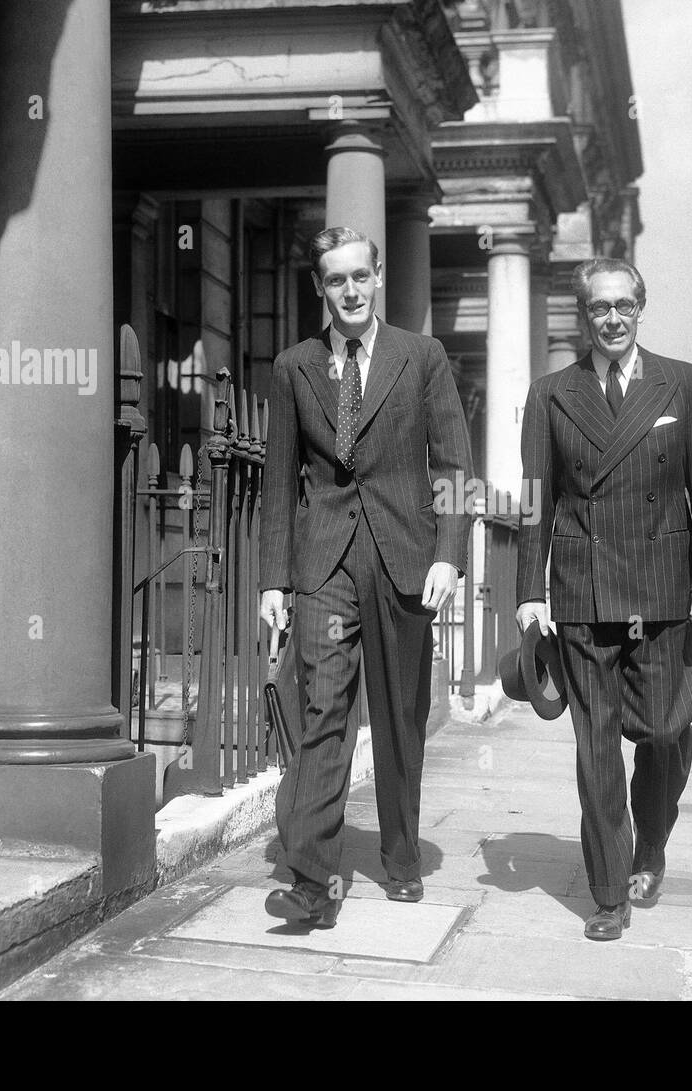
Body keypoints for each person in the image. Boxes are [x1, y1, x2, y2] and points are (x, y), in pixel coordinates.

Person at [260, 226, 473, 927]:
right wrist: (274, 583)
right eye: (334, 280)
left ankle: (402, 854)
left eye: (359, 276)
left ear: (377, 277)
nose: (349, 291)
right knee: (323, 707)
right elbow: (279, 482)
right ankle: (311, 877)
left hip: (405, 556)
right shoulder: (295, 366)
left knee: (399, 714)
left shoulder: (423, 357)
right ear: (319, 288)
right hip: (326, 561)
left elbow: (452, 467)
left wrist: (448, 551)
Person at [515, 256, 692, 940]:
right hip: (582, 589)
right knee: (596, 746)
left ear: (641, 307)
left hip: (661, 589)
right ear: (586, 315)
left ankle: (651, 845)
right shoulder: (552, 392)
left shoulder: (683, 383)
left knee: (666, 732)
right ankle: (609, 892)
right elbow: (535, 500)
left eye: (623, 306)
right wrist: (529, 591)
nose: (611, 318)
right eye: (599, 307)